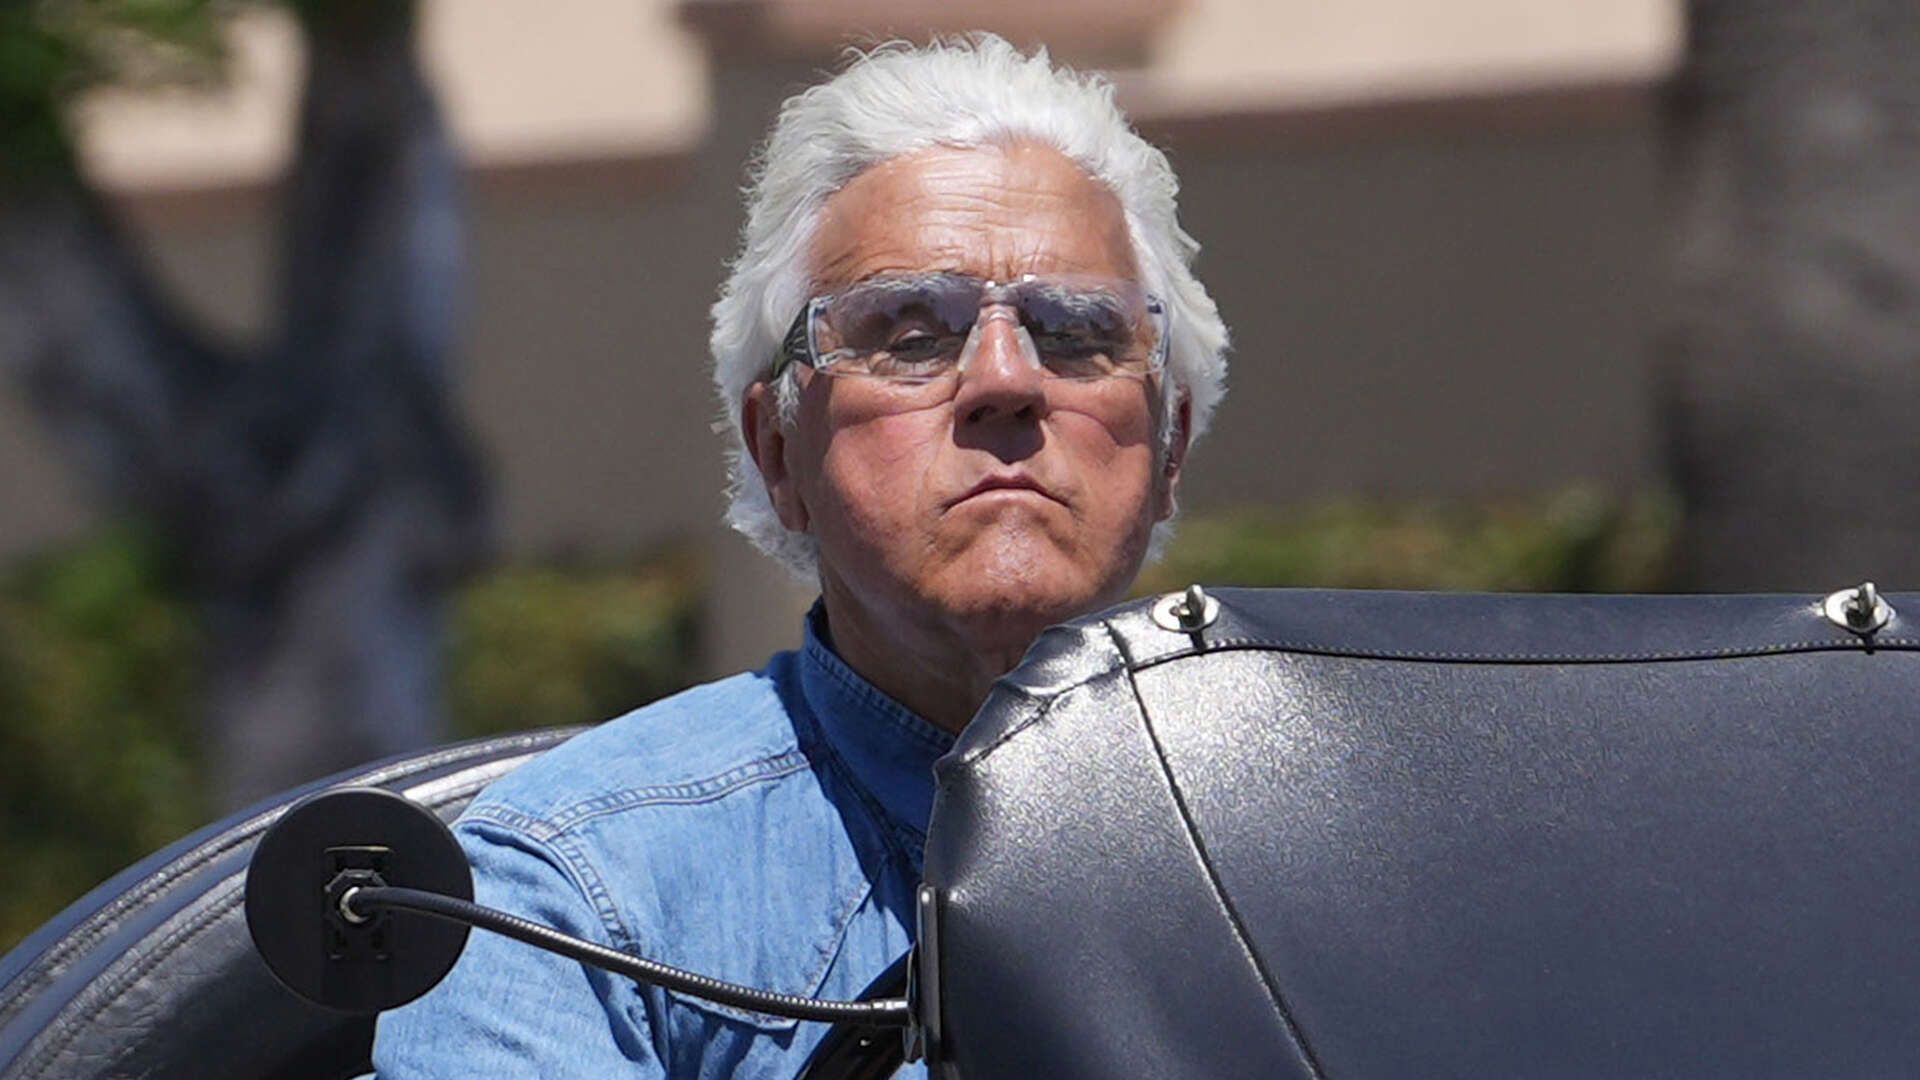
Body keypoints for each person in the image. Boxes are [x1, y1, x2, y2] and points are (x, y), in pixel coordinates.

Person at [369, 33, 1228, 1078]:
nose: (1006, 379)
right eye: (910, 333)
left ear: (1169, 442)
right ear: (780, 452)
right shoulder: (570, 891)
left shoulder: (1353, 840)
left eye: (1076, 331)